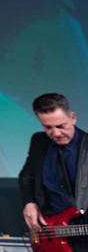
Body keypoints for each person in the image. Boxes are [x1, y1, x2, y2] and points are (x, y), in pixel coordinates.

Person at [19, 93, 88, 251]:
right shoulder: (39, 141)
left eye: (61, 126)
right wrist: (29, 203)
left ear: (73, 118)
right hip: (49, 234)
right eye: (48, 127)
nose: (56, 133)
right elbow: (26, 177)